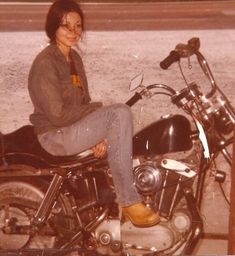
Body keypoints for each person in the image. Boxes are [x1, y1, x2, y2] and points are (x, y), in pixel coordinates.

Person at [28, 0, 159, 227]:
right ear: (53, 27)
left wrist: (99, 134)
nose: (73, 32)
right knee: (120, 112)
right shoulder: (46, 62)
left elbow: (82, 104)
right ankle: (128, 200)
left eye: (78, 26)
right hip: (54, 135)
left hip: (70, 130)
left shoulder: (74, 59)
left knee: (117, 117)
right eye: (65, 25)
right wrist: (98, 111)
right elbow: (58, 115)